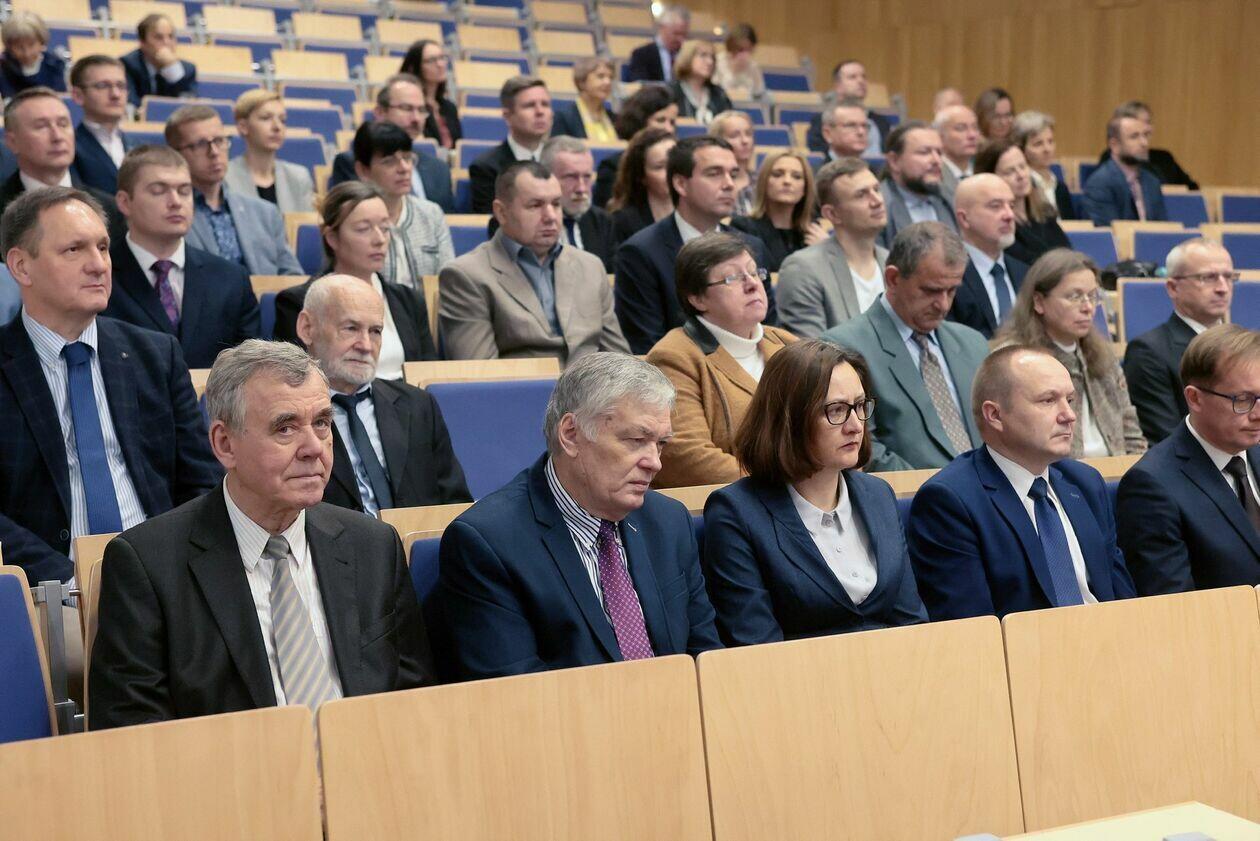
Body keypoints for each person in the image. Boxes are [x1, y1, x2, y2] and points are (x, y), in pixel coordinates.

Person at [88, 339, 437, 730]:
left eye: (322, 423)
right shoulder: (148, 567)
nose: (314, 448)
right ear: (225, 444)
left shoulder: (373, 546)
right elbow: (134, 741)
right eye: (285, 428)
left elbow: (416, 706)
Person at [431, 352, 723, 680]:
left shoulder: (669, 521)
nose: (654, 462)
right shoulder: (488, 542)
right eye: (637, 440)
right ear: (571, 434)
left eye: (660, 444)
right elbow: (516, 692)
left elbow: (706, 659)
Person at [0, 186, 218, 585]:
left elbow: (201, 481)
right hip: (50, 590)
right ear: (21, 266)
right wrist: (71, 582)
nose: (98, 265)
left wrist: (171, 567)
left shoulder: (156, 354)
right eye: (74, 250)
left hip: (162, 573)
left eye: (103, 247)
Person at [702, 340, 927, 644]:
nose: (855, 426)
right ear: (788, 420)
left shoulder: (878, 494)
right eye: (836, 410)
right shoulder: (736, 513)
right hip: (796, 673)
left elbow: (913, 623)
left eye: (860, 406)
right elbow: (756, 647)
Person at [907, 345, 1136, 619]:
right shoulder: (950, 502)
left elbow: (1125, 601)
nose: (1069, 415)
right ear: (995, 415)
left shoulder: (1086, 483)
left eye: (1070, 400)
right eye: (1048, 400)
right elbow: (972, 627)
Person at [821, 221, 987, 472]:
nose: (943, 304)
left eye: (951, 290)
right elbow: (861, 444)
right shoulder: (842, 349)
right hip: (911, 493)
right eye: (931, 291)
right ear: (893, 278)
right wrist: (945, 488)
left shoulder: (973, 343)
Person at [297, 275, 470, 514]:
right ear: (307, 328)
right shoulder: (289, 417)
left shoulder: (418, 405)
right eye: (351, 328)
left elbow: (455, 503)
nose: (366, 345)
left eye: (375, 331)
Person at [1117, 324, 1260, 594]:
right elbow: (1175, 604)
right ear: (1195, 398)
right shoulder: (1151, 486)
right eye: (1243, 400)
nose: (1258, 414)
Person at [439, 161, 629, 365]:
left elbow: (622, 362)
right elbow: (480, 373)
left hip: (593, 384)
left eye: (556, 204)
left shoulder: (590, 266)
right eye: (535, 205)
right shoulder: (467, 275)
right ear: (501, 212)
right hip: (521, 385)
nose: (550, 217)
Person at [646, 232, 796, 488]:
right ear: (697, 298)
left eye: (754, 272)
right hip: (733, 503)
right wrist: (787, 485)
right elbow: (686, 457)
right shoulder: (674, 358)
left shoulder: (787, 344)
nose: (752, 284)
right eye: (732, 278)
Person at [103, 145, 261, 369]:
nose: (176, 201)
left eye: (185, 191)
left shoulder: (231, 278)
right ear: (124, 202)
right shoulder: (99, 275)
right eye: (158, 191)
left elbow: (251, 369)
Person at [614, 135, 774, 355]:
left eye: (733, 174)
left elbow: (769, 331)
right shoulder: (641, 252)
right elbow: (647, 348)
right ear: (680, 184)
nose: (729, 184)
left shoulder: (752, 246)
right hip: (677, 370)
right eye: (714, 173)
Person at [993, 249, 1146, 457]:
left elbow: (1132, 433)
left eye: (1093, 296)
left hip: (1117, 471)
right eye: (1075, 296)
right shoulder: (1015, 361)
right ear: (1039, 302)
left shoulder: (1104, 356)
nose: (1088, 307)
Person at [274, 182, 437, 377]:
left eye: (385, 228)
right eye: (363, 229)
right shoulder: (298, 303)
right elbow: (294, 378)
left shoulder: (409, 300)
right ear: (332, 238)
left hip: (403, 396)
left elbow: (428, 374)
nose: (380, 239)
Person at [166, 105, 304, 275]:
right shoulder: (169, 216)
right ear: (175, 154)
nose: (214, 152)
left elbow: (292, 276)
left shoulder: (265, 213)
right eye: (200, 144)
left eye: (219, 140)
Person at [1124, 238, 1236, 444]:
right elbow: (1168, 439)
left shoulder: (1246, 346)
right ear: (1173, 287)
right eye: (1208, 277)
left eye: (1228, 277)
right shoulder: (1148, 351)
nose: (1223, 288)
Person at [777, 157, 889, 338]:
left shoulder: (892, 262)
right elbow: (812, 350)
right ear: (832, 214)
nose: (877, 201)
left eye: (876, 189)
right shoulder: (803, 269)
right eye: (861, 195)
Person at [0, 88, 124, 241]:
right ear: (12, 142)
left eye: (63, 124)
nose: (57, 136)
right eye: (41, 126)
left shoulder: (110, 208)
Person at [328, 73, 455, 212]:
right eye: (406, 108)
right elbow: (353, 216)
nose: (416, 118)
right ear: (380, 112)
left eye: (421, 110)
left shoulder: (439, 169)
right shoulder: (351, 163)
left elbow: (450, 221)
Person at [351, 120, 454, 285]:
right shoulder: (352, 218)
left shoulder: (431, 214)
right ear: (363, 170)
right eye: (389, 161)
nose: (404, 168)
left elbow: (448, 279)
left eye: (407, 158)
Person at [949, 173, 1029, 339]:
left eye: (1011, 205)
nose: (1009, 215)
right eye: (995, 206)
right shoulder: (947, 276)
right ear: (964, 219)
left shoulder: (1026, 272)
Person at [975, 139, 1071, 266]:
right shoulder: (997, 225)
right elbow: (1026, 264)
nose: (1021, 175)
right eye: (1010, 171)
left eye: (1023, 166)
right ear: (991, 178)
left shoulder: (1044, 211)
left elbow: (1067, 252)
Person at [729, 149, 824, 272]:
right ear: (764, 182)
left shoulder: (813, 231)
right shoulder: (743, 227)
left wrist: (825, 251)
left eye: (797, 176)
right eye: (777, 174)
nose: (787, 181)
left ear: (805, 188)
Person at [469, 76, 553, 213]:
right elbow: (492, 220)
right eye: (529, 105)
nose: (540, 112)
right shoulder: (487, 167)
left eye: (545, 104)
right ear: (508, 116)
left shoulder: (560, 162)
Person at [224, 89, 316, 215]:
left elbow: (305, 225)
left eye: (282, 120)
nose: (277, 127)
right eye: (266, 118)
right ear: (243, 127)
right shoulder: (225, 177)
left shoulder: (299, 177)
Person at [592, 84, 678, 210]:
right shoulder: (613, 166)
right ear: (640, 121)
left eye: (672, 122)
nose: (669, 129)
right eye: (660, 120)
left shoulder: (680, 162)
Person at [539, 135, 616, 270]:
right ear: (545, 177)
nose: (581, 188)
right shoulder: (528, 223)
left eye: (587, 177)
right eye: (571, 177)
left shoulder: (602, 221)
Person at [878, 120, 956, 248]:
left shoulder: (950, 199)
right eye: (924, 152)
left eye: (939, 152)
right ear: (894, 161)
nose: (936, 160)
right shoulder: (878, 206)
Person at [1082, 112, 1167, 225]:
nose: (1144, 143)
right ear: (1114, 145)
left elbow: (1163, 228)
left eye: (1145, 135)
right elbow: (1108, 231)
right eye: (1134, 136)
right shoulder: (1099, 184)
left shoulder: (1152, 182)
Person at [1097, 100, 1197, 190]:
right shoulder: (1112, 157)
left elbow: (1192, 190)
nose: (1146, 128)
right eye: (1138, 123)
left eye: (1148, 122)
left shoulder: (1164, 158)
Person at [69, 55, 133, 194]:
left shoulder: (137, 146)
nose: (115, 94)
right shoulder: (68, 148)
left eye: (121, 86)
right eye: (103, 86)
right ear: (78, 95)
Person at [805, 59, 891, 157]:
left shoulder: (881, 122)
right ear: (837, 85)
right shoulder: (821, 121)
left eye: (863, 77)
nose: (861, 81)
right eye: (852, 77)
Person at [607, 127, 676, 246]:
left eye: (675, 162)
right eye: (659, 167)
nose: (672, 172)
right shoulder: (622, 223)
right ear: (641, 176)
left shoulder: (700, 212)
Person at [120, 13, 196, 108]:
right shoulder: (127, 65)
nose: (167, 43)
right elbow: (131, 104)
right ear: (142, 42)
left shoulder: (187, 69)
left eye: (171, 36)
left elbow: (188, 106)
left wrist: (173, 71)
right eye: (159, 37)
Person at [1012, 110, 1076, 221]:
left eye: (1050, 141)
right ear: (1021, 148)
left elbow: (1072, 226)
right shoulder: (1021, 186)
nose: (1047, 149)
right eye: (1038, 144)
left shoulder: (1061, 188)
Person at [398, 39, 461, 149]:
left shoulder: (450, 108)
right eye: (432, 60)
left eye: (442, 58)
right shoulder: (410, 107)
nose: (440, 64)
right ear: (414, 67)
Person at [0, 12, 66, 98]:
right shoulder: (3, 66)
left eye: (31, 45)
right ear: (9, 47)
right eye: (19, 47)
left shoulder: (55, 65)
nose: (27, 53)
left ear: (41, 41)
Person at [550, 57, 616, 142]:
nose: (608, 82)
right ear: (582, 82)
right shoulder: (564, 118)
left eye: (611, 77)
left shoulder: (615, 119)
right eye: (600, 76)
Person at [669, 40, 733, 126]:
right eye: (703, 55)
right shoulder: (670, 92)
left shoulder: (719, 93)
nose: (710, 62)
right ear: (687, 57)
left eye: (712, 58)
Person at [708, 110, 755, 215]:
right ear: (718, 141)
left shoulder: (762, 182)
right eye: (734, 135)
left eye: (748, 134)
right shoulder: (710, 184)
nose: (745, 141)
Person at [626, 5, 690, 83]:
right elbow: (640, 85)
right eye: (676, 33)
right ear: (662, 28)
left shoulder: (688, 55)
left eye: (684, 35)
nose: (681, 39)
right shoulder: (642, 55)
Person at [933, 104, 979, 202]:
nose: (972, 135)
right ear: (940, 136)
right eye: (961, 128)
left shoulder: (984, 170)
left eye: (975, 128)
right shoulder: (934, 177)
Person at [713, 23, 764, 97]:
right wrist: (734, 72)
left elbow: (759, 92)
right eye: (740, 49)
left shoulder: (753, 66)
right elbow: (714, 92)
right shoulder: (718, 61)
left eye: (748, 50)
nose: (744, 54)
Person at [817, 98, 871, 164]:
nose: (861, 132)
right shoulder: (817, 170)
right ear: (828, 134)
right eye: (851, 125)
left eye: (864, 126)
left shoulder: (873, 170)